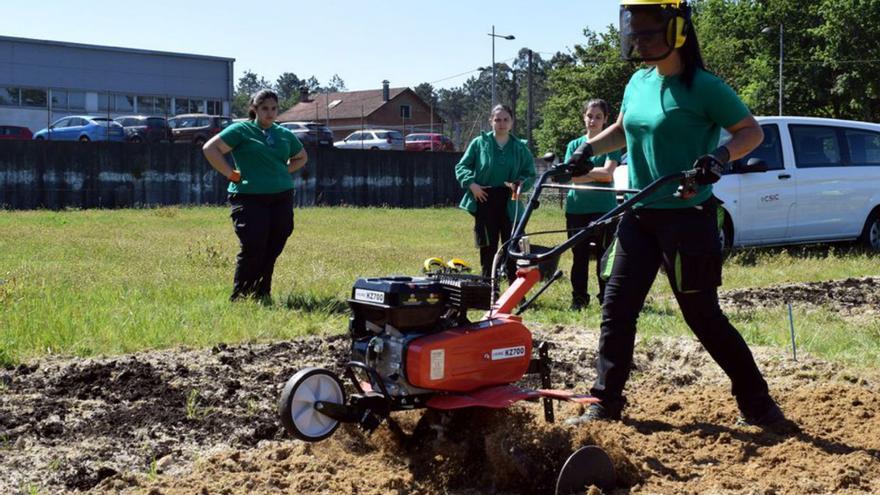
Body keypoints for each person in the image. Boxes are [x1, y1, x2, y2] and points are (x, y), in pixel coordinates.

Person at [565, 0, 786, 427]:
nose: (640, 40)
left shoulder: (703, 87)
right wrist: (587, 149)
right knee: (616, 308)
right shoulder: (637, 82)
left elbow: (751, 131)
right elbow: (625, 127)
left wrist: (718, 157)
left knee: (702, 316)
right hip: (639, 213)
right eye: (636, 31)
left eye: (650, 31)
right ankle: (605, 403)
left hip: (688, 217)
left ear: (678, 30)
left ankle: (760, 406)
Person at [202, 89, 308, 302]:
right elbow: (210, 149)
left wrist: (281, 171)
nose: (270, 113)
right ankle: (241, 297)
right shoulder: (241, 130)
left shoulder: (284, 134)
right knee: (254, 244)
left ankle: (262, 293)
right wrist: (231, 174)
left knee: (275, 242)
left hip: (281, 196)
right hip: (249, 197)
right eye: (264, 108)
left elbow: (302, 157)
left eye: (274, 108)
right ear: (254, 109)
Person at [455, 104, 536, 281]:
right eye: (497, 119)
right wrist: (472, 184)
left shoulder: (520, 147)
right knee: (488, 245)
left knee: (512, 244)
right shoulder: (479, 143)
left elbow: (530, 173)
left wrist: (521, 184)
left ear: (512, 122)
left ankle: (515, 289)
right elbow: (461, 166)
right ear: (491, 121)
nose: (501, 123)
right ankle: (488, 286)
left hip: (510, 201)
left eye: (506, 119)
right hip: (484, 198)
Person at [563, 99, 623, 310]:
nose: (593, 120)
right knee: (578, 256)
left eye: (598, 117)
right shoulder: (573, 145)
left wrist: (585, 173)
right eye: (590, 116)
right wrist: (592, 174)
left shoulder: (612, 144)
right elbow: (574, 178)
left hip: (604, 208)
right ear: (584, 117)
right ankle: (579, 299)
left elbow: (608, 175)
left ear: (606, 119)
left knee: (604, 256)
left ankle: (606, 298)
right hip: (577, 208)